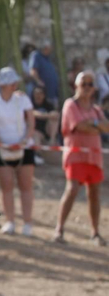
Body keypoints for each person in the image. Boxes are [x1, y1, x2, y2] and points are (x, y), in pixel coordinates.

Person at [55, 71, 108, 244]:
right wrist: (95, 126)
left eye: (90, 84)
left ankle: (95, 232)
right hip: (75, 155)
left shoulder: (95, 109)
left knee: (94, 193)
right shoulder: (70, 105)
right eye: (83, 83)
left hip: (94, 156)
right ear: (76, 85)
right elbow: (79, 126)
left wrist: (92, 125)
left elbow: (106, 128)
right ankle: (59, 229)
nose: (86, 87)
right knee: (72, 190)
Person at [0, 66, 37, 236]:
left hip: (24, 146)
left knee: (26, 185)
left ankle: (28, 222)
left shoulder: (23, 100)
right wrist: (1, 143)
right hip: (1, 148)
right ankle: (10, 221)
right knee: (6, 185)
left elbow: (31, 121)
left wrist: (24, 140)